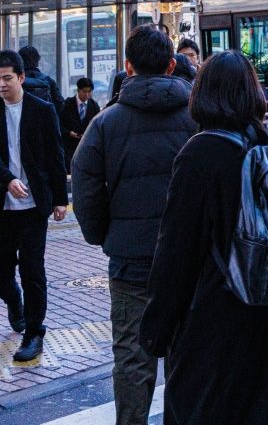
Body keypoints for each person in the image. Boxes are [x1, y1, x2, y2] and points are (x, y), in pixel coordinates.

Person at [140, 50, 268, 423]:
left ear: (203, 94)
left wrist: (157, 327)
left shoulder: (202, 153)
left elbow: (177, 251)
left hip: (227, 313)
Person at [72, 24, 197, 425]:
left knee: (131, 355)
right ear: (172, 65)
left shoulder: (107, 123)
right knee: (186, 352)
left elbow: (85, 182)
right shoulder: (197, 117)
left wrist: (103, 234)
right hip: (188, 259)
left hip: (130, 260)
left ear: (127, 66)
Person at [0, 48, 67, 363]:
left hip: (33, 205)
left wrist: (60, 198)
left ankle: (34, 332)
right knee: (0, 271)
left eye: (6, 79)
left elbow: (56, 155)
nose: (0, 85)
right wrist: (6, 180)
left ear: (21, 78)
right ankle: (14, 304)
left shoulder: (42, 110)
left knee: (32, 269)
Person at [59, 76, 100, 170]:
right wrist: (69, 132)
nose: (87, 95)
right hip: (69, 146)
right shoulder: (67, 104)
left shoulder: (94, 106)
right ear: (78, 90)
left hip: (86, 145)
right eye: (84, 91)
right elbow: (59, 124)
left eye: (89, 92)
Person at [17, 45, 65, 114]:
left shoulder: (15, 81)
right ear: (37, 61)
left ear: (19, 61)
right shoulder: (48, 81)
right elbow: (60, 107)